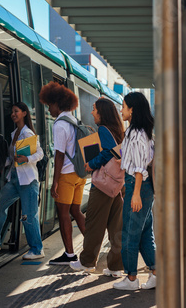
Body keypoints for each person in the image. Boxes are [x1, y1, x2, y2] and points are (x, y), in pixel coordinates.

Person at [69, 98, 125, 276]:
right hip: (118, 184)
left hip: (103, 185)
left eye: (94, 109)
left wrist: (91, 164)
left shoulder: (103, 129)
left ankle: (86, 262)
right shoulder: (118, 130)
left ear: (102, 112)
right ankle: (116, 267)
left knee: (94, 223)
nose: (92, 112)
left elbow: (108, 151)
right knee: (116, 226)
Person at [0, 102, 45, 260]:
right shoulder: (14, 133)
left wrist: (27, 158)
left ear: (24, 113)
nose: (13, 114)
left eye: (16, 111)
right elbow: (11, 158)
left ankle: (37, 249)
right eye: (12, 111)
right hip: (13, 179)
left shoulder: (27, 133)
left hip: (27, 180)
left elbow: (40, 153)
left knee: (29, 215)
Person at [39, 81, 86, 265]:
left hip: (66, 175)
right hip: (80, 174)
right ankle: (92, 246)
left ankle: (69, 254)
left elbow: (59, 155)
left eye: (50, 105)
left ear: (58, 104)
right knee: (76, 210)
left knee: (64, 213)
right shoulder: (74, 120)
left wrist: (55, 182)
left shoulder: (59, 124)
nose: (49, 109)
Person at [113, 91, 157, 291]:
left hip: (139, 186)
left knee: (130, 234)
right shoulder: (134, 132)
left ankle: (131, 279)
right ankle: (157, 274)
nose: (121, 110)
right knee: (145, 234)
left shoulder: (138, 134)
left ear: (132, 109)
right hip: (136, 185)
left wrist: (136, 192)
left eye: (123, 106)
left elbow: (140, 168)